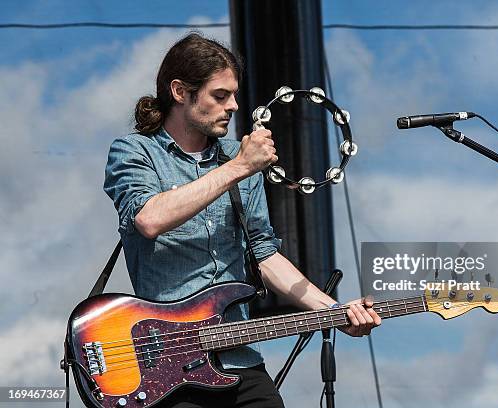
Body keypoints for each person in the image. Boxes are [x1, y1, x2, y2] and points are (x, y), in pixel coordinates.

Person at [104, 32, 381, 408]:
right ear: (180, 91)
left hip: (239, 357)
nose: (233, 106)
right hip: (163, 367)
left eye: (234, 95)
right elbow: (149, 218)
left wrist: (332, 311)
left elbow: (264, 255)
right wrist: (238, 168)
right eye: (220, 96)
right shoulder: (135, 150)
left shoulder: (237, 159)